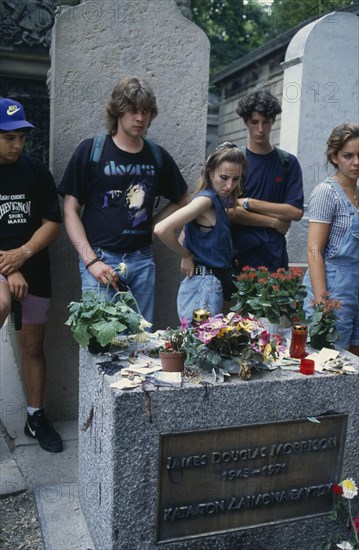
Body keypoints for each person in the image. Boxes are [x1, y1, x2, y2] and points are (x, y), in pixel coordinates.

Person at [59, 77, 188, 325]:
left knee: (141, 342)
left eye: (146, 111)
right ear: (118, 111)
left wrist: (154, 226)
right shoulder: (91, 151)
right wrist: (91, 261)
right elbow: (70, 210)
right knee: (99, 342)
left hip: (141, 260)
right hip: (100, 260)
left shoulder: (157, 156)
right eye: (132, 110)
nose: (140, 118)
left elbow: (183, 199)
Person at [0, 98, 63, 452]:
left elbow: (52, 223)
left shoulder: (36, 171)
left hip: (34, 267)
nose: (18, 144)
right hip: (1, 269)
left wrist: (22, 256)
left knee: (33, 346)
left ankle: (35, 416)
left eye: (21, 136)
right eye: (9, 137)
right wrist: (10, 269)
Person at [154, 143, 247, 320]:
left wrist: (188, 251)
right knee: (201, 344)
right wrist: (186, 255)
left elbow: (184, 233)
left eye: (236, 179)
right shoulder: (206, 200)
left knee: (199, 342)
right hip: (205, 285)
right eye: (224, 177)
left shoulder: (213, 199)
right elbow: (161, 229)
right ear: (211, 173)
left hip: (206, 283)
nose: (229, 185)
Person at [228, 89, 304, 273]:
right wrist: (275, 223)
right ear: (245, 122)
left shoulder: (287, 162)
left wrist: (248, 203)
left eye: (266, 122)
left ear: (273, 122)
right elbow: (228, 211)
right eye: (254, 122)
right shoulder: (232, 161)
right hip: (237, 255)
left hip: (274, 257)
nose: (260, 129)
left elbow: (295, 212)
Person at [303, 123, 359, 355]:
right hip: (333, 286)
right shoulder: (327, 192)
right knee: (328, 360)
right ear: (334, 157)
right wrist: (323, 302)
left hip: (355, 287)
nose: (356, 162)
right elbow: (314, 250)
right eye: (348, 156)